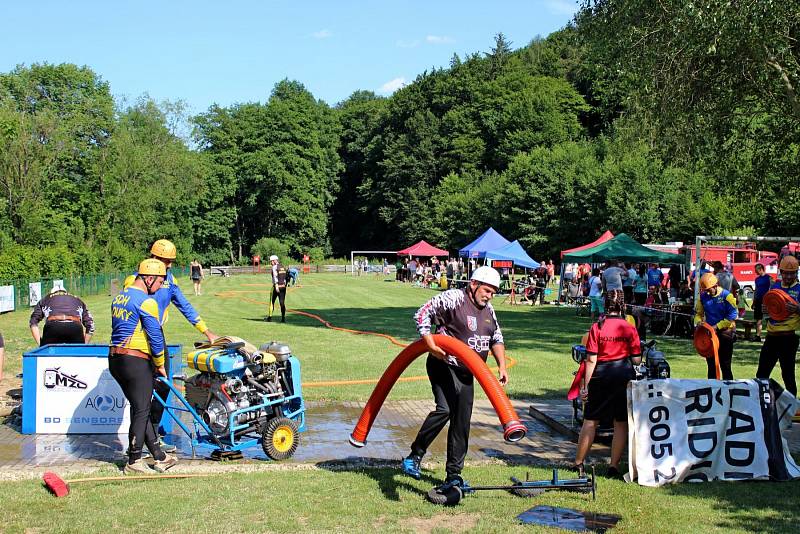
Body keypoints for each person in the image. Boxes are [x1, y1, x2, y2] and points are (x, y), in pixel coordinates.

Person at [401, 266, 508, 491]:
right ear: (473, 284)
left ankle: (453, 475)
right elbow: (422, 313)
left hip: (468, 371)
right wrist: (430, 344)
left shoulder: (489, 310)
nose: (489, 296)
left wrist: (502, 365)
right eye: (487, 290)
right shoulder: (454, 298)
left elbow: (496, 337)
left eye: (493, 292)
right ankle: (414, 456)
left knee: (461, 421)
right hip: (444, 364)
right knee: (445, 409)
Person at [126, 239, 218, 451]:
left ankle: (155, 436)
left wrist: (206, 331)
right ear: (153, 258)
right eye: (166, 261)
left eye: (170, 262)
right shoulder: (134, 280)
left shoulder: (170, 279)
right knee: (140, 394)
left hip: (157, 337)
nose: (169, 265)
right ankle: (136, 442)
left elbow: (184, 306)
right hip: (138, 341)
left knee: (163, 386)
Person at [110, 258, 178, 474]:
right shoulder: (146, 302)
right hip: (135, 360)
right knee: (141, 410)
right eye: (159, 282)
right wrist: (160, 364)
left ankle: (159, 455)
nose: (160, 287)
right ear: (149, 279)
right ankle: (134, 461)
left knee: (141, 408)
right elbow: (155, 337)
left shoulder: (120, 297)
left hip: (115, 359)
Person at [573, 294, 641, 478]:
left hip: (601, 374)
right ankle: (613, 467)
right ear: (622, 306)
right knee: (620, 422)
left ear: (605, 305)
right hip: (623, 374)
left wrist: (585, 386)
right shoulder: (629, 327)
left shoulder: (597, 327)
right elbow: (636, 359)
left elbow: (591, 360)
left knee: (591, 420)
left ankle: (579, 463)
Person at [756, 255, 800, 395]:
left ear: (796, 272)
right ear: (781, 271)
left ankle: (792, 408)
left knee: (788, 375)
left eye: (791, 273)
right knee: (761, 373)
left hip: (789, 338)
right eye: (785, 273)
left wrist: (798, 309)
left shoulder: (799, 289)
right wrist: (765, 310)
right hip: (771, 337)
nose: (787, 276)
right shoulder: (774, 286)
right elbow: (770, 308)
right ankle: (761, 404)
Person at [694, 273, 738, 380]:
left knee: (725, 365)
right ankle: (711, 390)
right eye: (705, 290)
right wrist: (699, 321)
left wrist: (717, 326)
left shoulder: (727, 296)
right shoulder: (703, 297)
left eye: (709, 289)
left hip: (726, 333)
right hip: (710, 334)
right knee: (711, 365)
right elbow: (698, 313)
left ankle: (729, 389)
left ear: (715, 285)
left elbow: (733, 315)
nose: (708, 292)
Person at [30, 287, 95, 345]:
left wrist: (41, 345)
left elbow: (33, 322)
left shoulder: (45, 299)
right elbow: (91, 325)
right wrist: (84, 346)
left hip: (53, 327)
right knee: (76, 356)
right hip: (75, 327)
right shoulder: (78, 300)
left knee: (49, 356)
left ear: (52, 293)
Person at [752, 263, 773, 340]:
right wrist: (754, 301)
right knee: (758, 319)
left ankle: (770, 335)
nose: (755, 272)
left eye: (756, 270)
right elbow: (756, 290)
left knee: (768, 318)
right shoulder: (757, 279)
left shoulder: (769, 278)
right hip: (758, 300)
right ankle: (758, 336)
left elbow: (772, 289)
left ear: (760, 269)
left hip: (766, 301)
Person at [265, 254, 288, 322]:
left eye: (271, 261)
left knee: (272, 302)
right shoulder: (283, 267)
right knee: (282, 303)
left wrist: (276, 286)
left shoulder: (274, 267)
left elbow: (275, 278)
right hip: (283, 287)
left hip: (276, 287)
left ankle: (269, 318)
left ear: (275, 261)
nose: (271, 263)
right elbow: (286, 278)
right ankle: (283, 319)